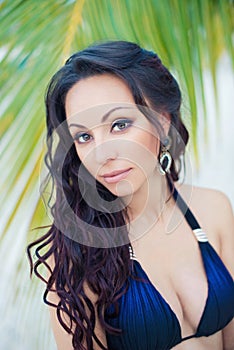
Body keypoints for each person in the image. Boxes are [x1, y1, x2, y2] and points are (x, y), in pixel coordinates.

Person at [27, 40, 234, 350]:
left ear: (163, 121)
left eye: (120, 124)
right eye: (83, 136)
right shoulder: (77, 253)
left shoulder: (213, 209)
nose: (102, 153)